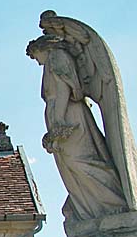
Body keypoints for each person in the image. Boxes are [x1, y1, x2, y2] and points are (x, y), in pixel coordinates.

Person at [27, 35, 127, 223]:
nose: (37, 62)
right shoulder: (51, 61)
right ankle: (90, 211)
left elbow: (64, 89)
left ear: (42, 48)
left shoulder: (57, 57)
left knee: (80, 162)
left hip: (69, 117)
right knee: (71, 166)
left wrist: (58, 122)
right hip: (62, 116)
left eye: (35, 56)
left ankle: (113, 203)